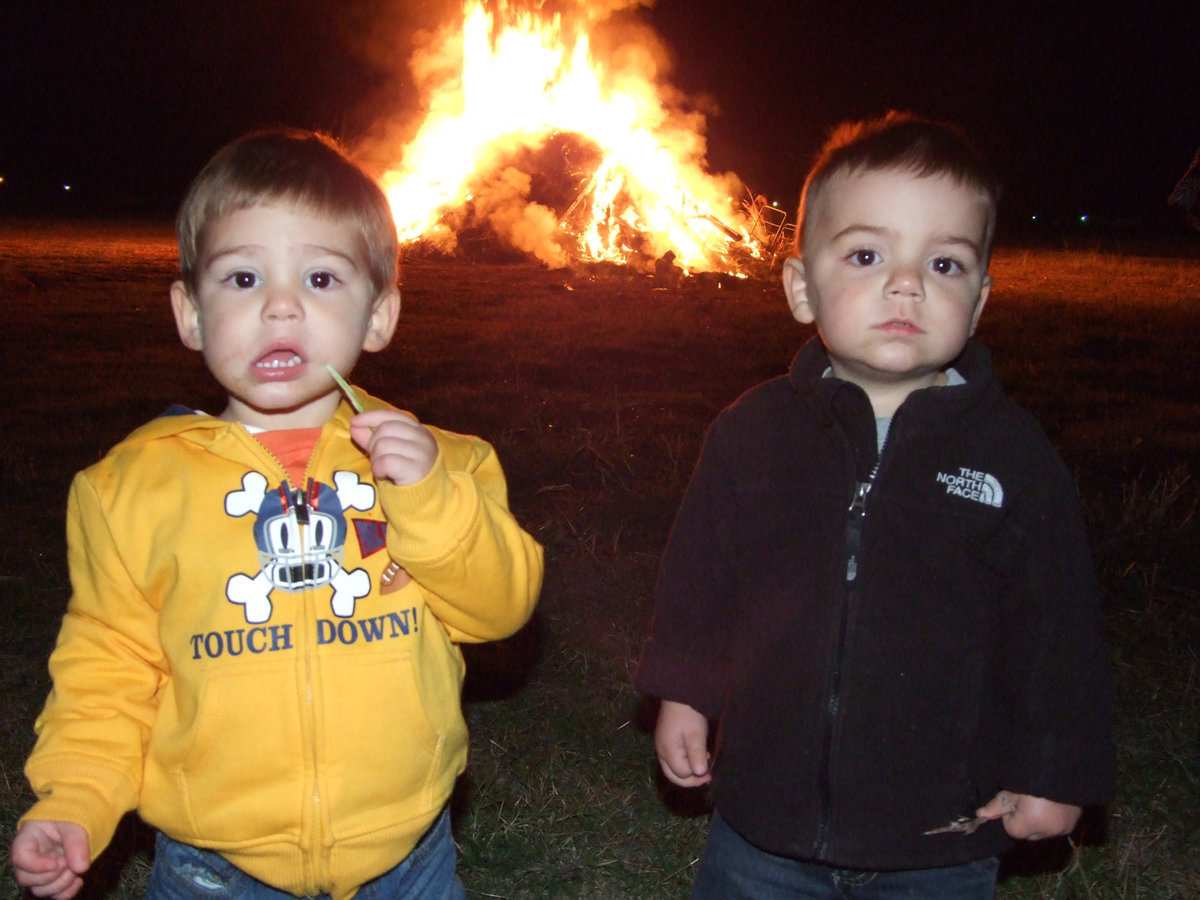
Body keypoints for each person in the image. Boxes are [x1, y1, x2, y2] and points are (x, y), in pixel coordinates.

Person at [11, 128, 544, 900]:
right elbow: (107, 671)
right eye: (243, 278)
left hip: (404, 855)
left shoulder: (444, 464)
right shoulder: (129, 488)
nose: (282, 306)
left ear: (380, 314)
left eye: (322, 279)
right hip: (215, 866)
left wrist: (428, 500)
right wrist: (76, 798)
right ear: (190, 314)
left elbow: (502, 608)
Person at [635, 112, 1114, 898]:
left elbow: (1059, 627)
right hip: (763, 821)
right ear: (801, 287)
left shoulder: (1012, 458)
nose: (907, 284)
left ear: (982, 300)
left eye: (947, 265)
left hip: (939, 834)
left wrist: (1057, 769)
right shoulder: (751, 435)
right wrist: (683, 690)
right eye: (867, 254)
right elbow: (699, 580)